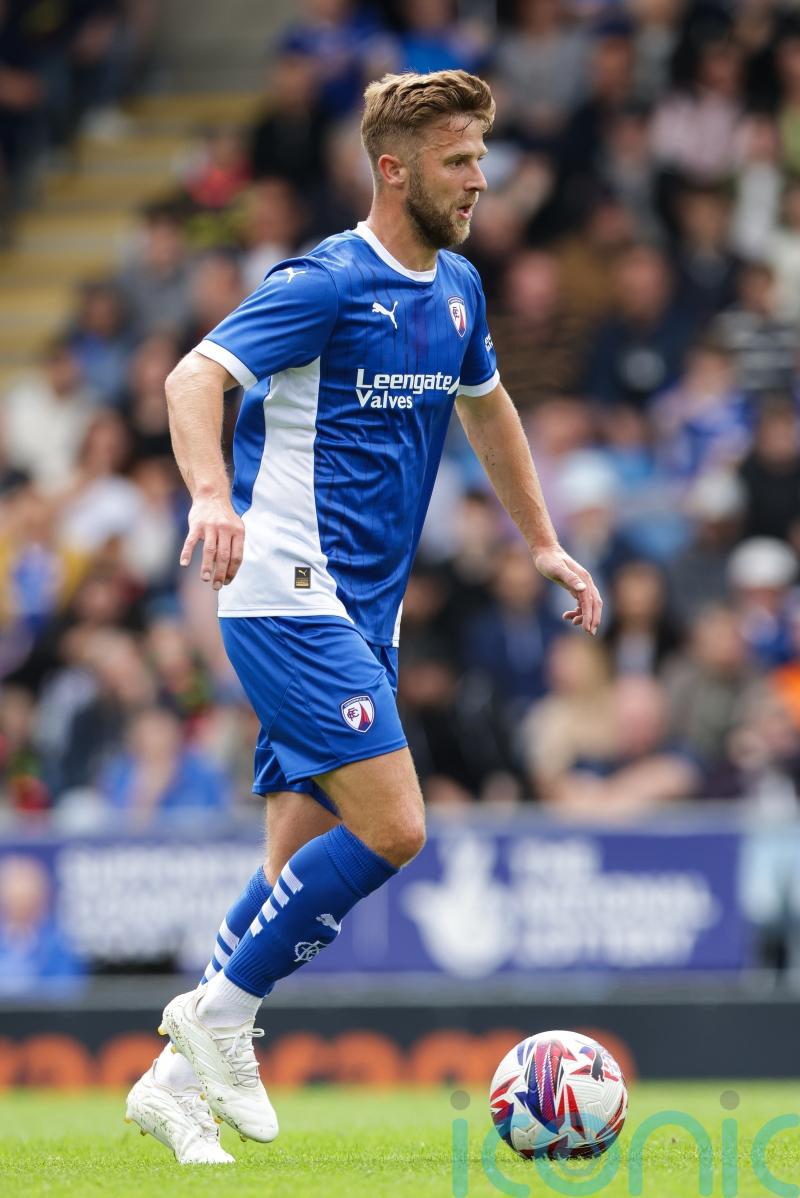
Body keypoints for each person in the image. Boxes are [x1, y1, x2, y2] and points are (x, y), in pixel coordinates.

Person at [124, 69, 602, 1164]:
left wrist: (540, 541)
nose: (479, 178)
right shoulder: (327, 281)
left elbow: (490, 411)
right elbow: (193, 379)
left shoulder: (459, 288)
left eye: (480, 156)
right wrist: (210, 496)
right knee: (395, 827)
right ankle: (217, 1018)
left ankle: (170, 1083)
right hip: (286, 591)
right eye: (457, 160)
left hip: (361, 615)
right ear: (394, 170)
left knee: (292, 863)